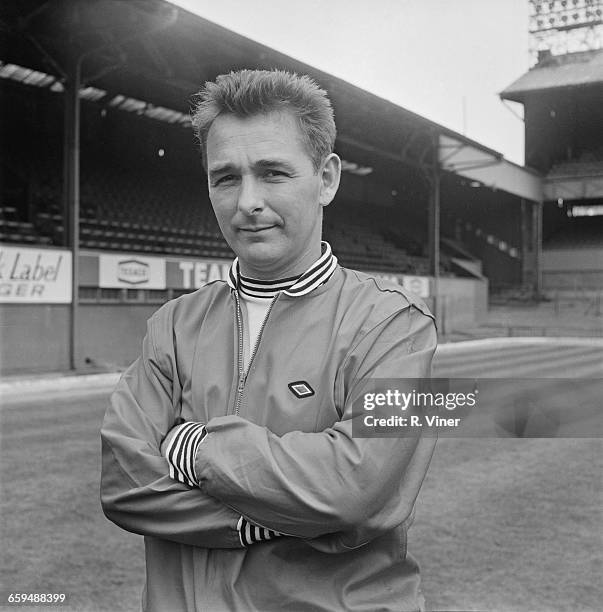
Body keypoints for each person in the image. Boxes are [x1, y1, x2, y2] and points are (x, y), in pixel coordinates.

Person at [101, 69, 437, 612]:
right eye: (225, 177)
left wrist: (194, 448)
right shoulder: (171, 324)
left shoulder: (401, 326)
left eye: (273, 172)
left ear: (326, 178)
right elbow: (122, 484)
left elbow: (354, 488)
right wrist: (272, 519)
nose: (247, 201)